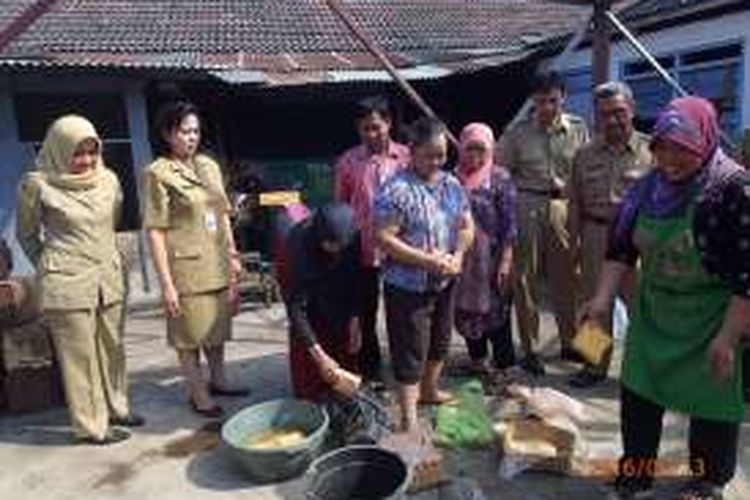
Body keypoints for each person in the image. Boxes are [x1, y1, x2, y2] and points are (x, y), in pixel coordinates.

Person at [582, 97, 750, 500]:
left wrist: (728, 338)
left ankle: (708, 482)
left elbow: (747, 276)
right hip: (654, 312)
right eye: (663, 147)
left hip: (713, 316)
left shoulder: (733, 190)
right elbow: (620, 250)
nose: (671, 159)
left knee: (711, 403)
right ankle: (636, 477)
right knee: (638, 394)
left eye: (684, 150)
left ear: (706, 143)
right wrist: (601, 300)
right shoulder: (645, 188)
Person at [16, 115, 142, 444]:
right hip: (67, 282)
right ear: (58, 150)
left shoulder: (109, 180)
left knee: (113, 347)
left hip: (107, 276)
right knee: (79, 356)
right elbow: (27, 235)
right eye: (76, 153)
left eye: (91, 151)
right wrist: (50, 265)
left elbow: (111, 222)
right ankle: (91, 426)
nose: (85, 160)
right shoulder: (38, 184)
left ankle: (118, 407)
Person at [142, 101, 247, 418]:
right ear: (167, 134)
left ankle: (219, 380)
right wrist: (167, 285)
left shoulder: (208, 166)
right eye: (184, 131)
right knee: (188, 337)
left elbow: (223, 214)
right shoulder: (158, 173)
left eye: (196, 131)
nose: (191, 137)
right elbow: (156, 231)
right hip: (185, 269)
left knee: (216, 327)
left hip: (216, 263)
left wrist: (232, 255)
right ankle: (199, 394)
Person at [375, 117, 475, 434]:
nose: (436, 162)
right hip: (407, 286)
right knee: (409, 350)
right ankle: (408, 417)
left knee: (440, 341)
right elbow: (384, 238)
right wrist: (425, 261)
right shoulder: (396, 190)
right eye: (429, 154)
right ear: (412, 151)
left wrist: (458, 255)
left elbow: (466, 225)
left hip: (444, 280)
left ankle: (429, 391)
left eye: (442, 155)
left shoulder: (451, 184)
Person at [503, 71, 589, 376]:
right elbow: (502, 175)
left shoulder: (578, 129)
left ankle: (572, 342)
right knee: (525, 281)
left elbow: (583, 171)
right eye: (541, 101)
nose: (548, 107)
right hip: (527, 204)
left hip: (564, 207)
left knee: (570, 279)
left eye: (553, 100)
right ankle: (530, 349)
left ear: (563, 96)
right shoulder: (517, 134)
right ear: (533, 101)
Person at [567, 82, 652, 388]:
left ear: (632, 110)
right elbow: (574, 203)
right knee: (594, 304)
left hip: (638, 240)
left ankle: (643, 367)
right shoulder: (584, 155)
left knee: (642, 306)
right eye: (604, 114)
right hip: (595, 235)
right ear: (596, 117)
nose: (612, 120)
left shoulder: (653, 151)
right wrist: (574, 242)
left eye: (619, 112)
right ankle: (594, 366)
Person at [334, 96, 410, 385]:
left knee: (402, 312)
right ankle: (372, 371)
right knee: (365, 313)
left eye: (377, 127)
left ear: (389, 123)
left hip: (402, 250)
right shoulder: (348, 162)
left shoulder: (406, 157)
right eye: (365, 128)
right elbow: (339, 209)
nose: (372, 134)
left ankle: (406, 369)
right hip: (361, 250)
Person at [276, 203, 363, 402]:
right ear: (319, 235)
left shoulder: (352, 239)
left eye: (341, 246)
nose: (336, 251)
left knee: (344, 344)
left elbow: (357, 280)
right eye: (331, 245)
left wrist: (355, 319)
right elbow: (296, 309)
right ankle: (313, 399)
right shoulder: (295, 247)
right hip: (305, 290)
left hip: (338, 289)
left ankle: (342, 396)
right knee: (311, 363)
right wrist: (319, 355)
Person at [454, 123, 517, 373]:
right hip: (464, 258)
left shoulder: (500, 178)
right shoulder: (452, 178)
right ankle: (478, 361)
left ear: (491, 149)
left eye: (481, 149)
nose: (475, 156)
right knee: (467, 311)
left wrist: (506, 260)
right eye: (469, 149)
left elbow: (511, 223)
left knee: (498, 311)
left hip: (493, 257)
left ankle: (505, 366)